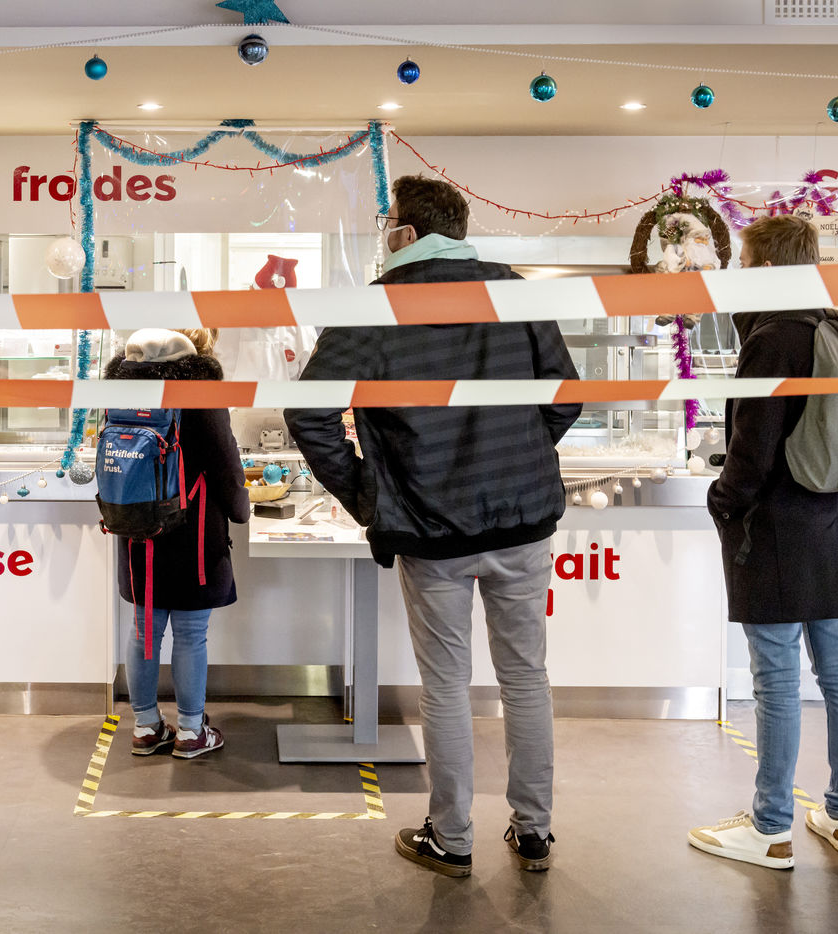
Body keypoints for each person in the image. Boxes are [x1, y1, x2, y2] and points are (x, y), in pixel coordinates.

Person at [285, 175, 581, 878]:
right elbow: (564, 395)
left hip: (429, 525)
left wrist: (371, 494)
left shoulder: (373, 308)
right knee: (526, 677)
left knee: (446, 685)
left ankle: (452, 837)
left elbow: (309, 414)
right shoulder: (513, 292)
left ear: (407, 233)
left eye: (387, 222)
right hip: (522, 519)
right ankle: (534, 831)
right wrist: (517, 457)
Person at [688, 214, 838, 869]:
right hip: (831, 520)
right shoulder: (836, 326)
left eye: (743, 263)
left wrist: (722, 501)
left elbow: (753, 446)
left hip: (773, 528)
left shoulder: (772, 340)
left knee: (776, 680)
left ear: (764, 268)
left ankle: (769, 828)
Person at [105, 328, 250, 759]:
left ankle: (146, 726)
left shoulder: (122, 393)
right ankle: (190, 731)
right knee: (190, 633)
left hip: (137, 529)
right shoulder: (200, 394)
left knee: (143, 630)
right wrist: (241, 510)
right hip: (193, 531)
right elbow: (227, 466)